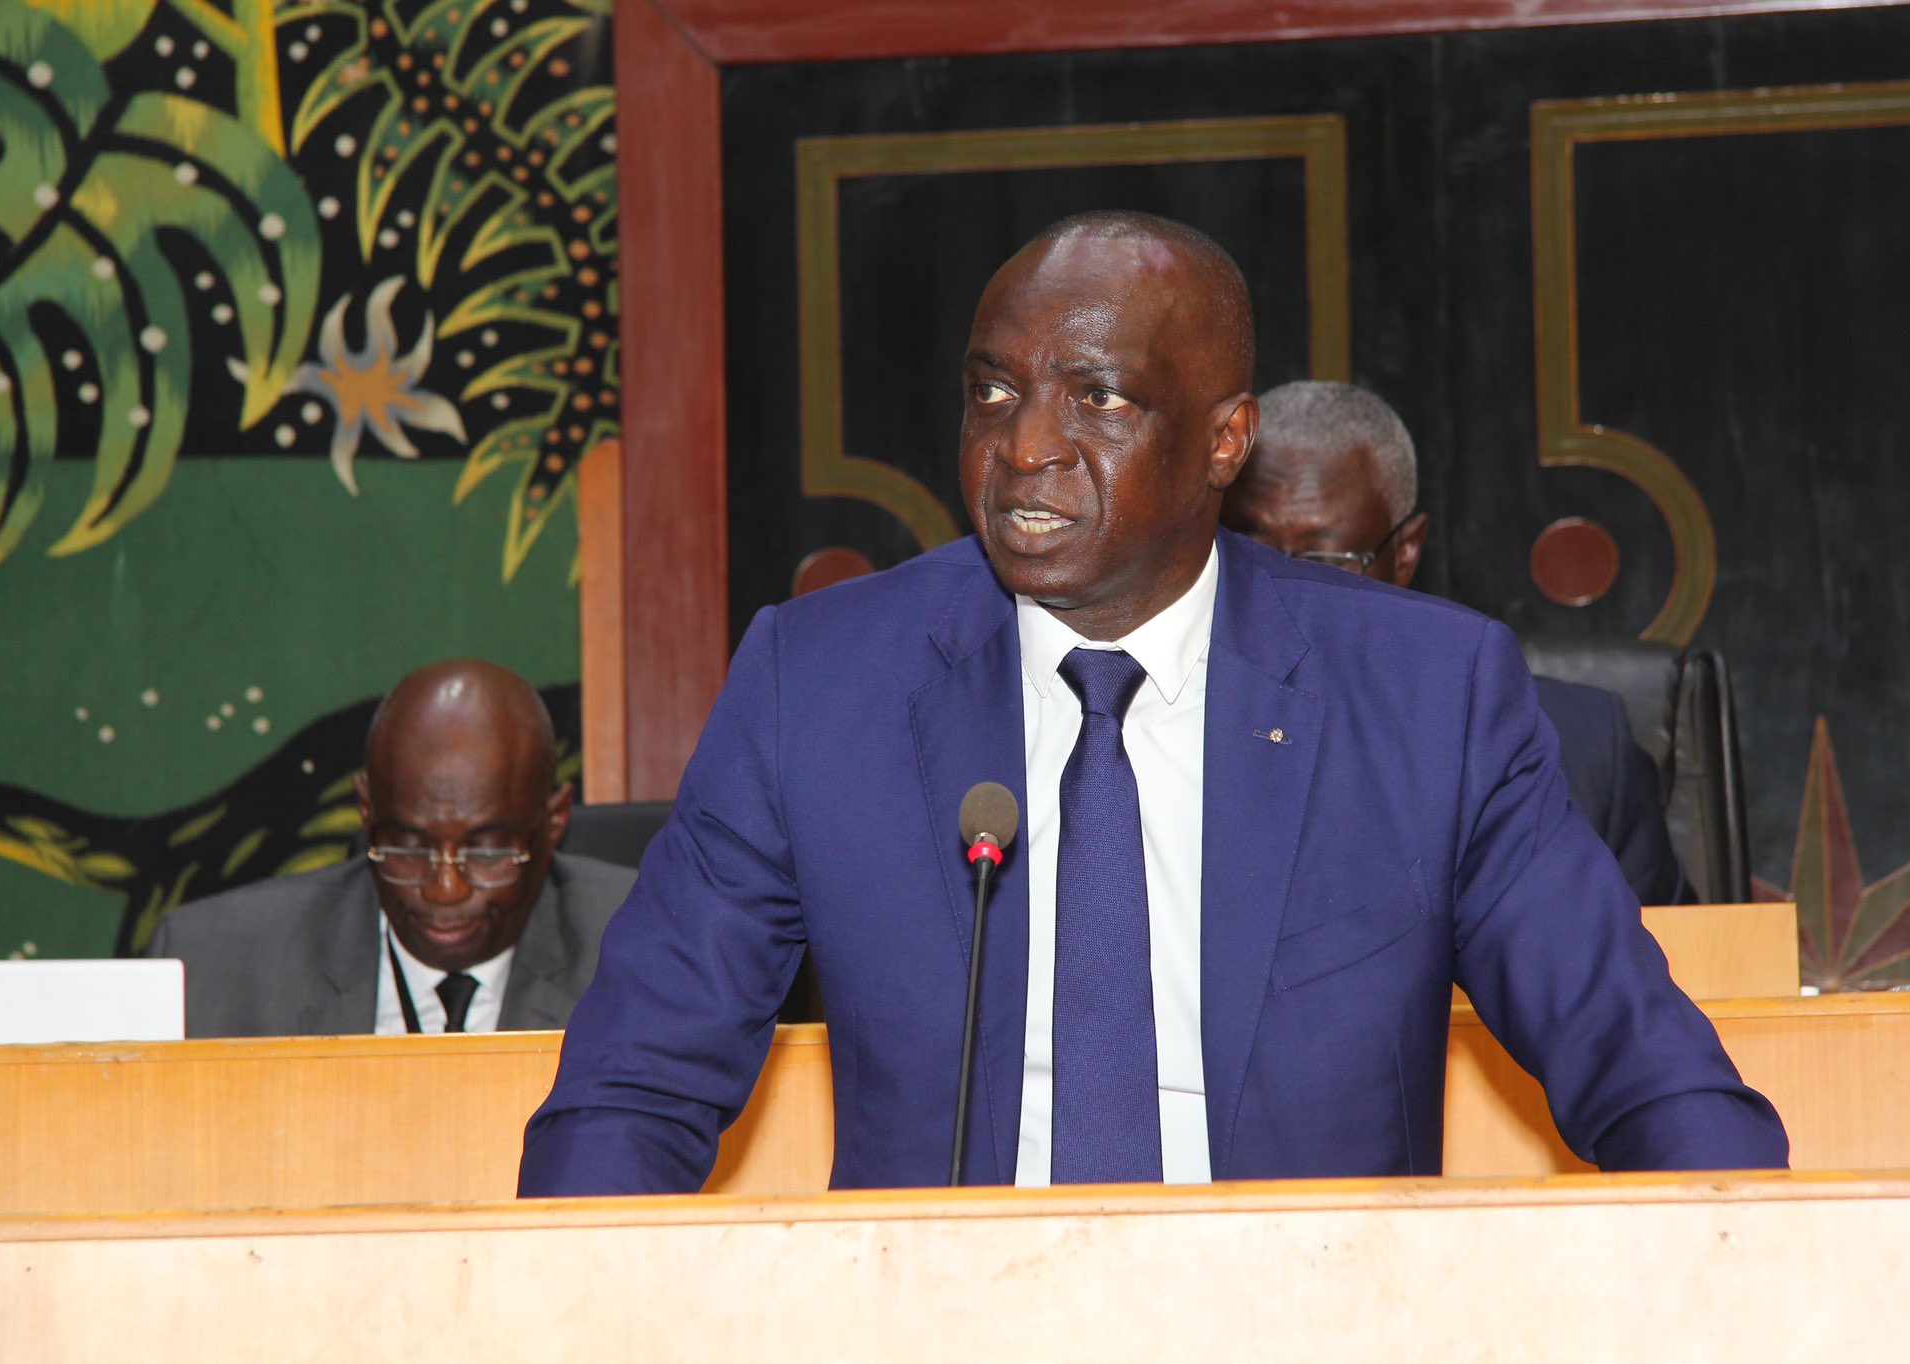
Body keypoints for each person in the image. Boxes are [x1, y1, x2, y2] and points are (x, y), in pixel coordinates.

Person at [519, 212, 1784, 1196]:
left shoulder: (1424, 697)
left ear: (1225, 441)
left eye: (1098, 397)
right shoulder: (818, 683)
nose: (1023, 448)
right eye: (991, 390)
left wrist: (1752, 1274)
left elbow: (1639, 1066)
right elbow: (630, 1089)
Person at [1220, 380, 1693, 906]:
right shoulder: (1168, 726)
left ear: (1405, 552)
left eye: (1324, 562)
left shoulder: (1578, 751)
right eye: (1251, 553)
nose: (1283, 591)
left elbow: (1677, 953)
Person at [148, 659, 635, 1037]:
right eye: (410, 849)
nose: (445, 890)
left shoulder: (643, 951)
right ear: (368, 813)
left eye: (486, 854)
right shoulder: (213, 966)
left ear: (553, 821)